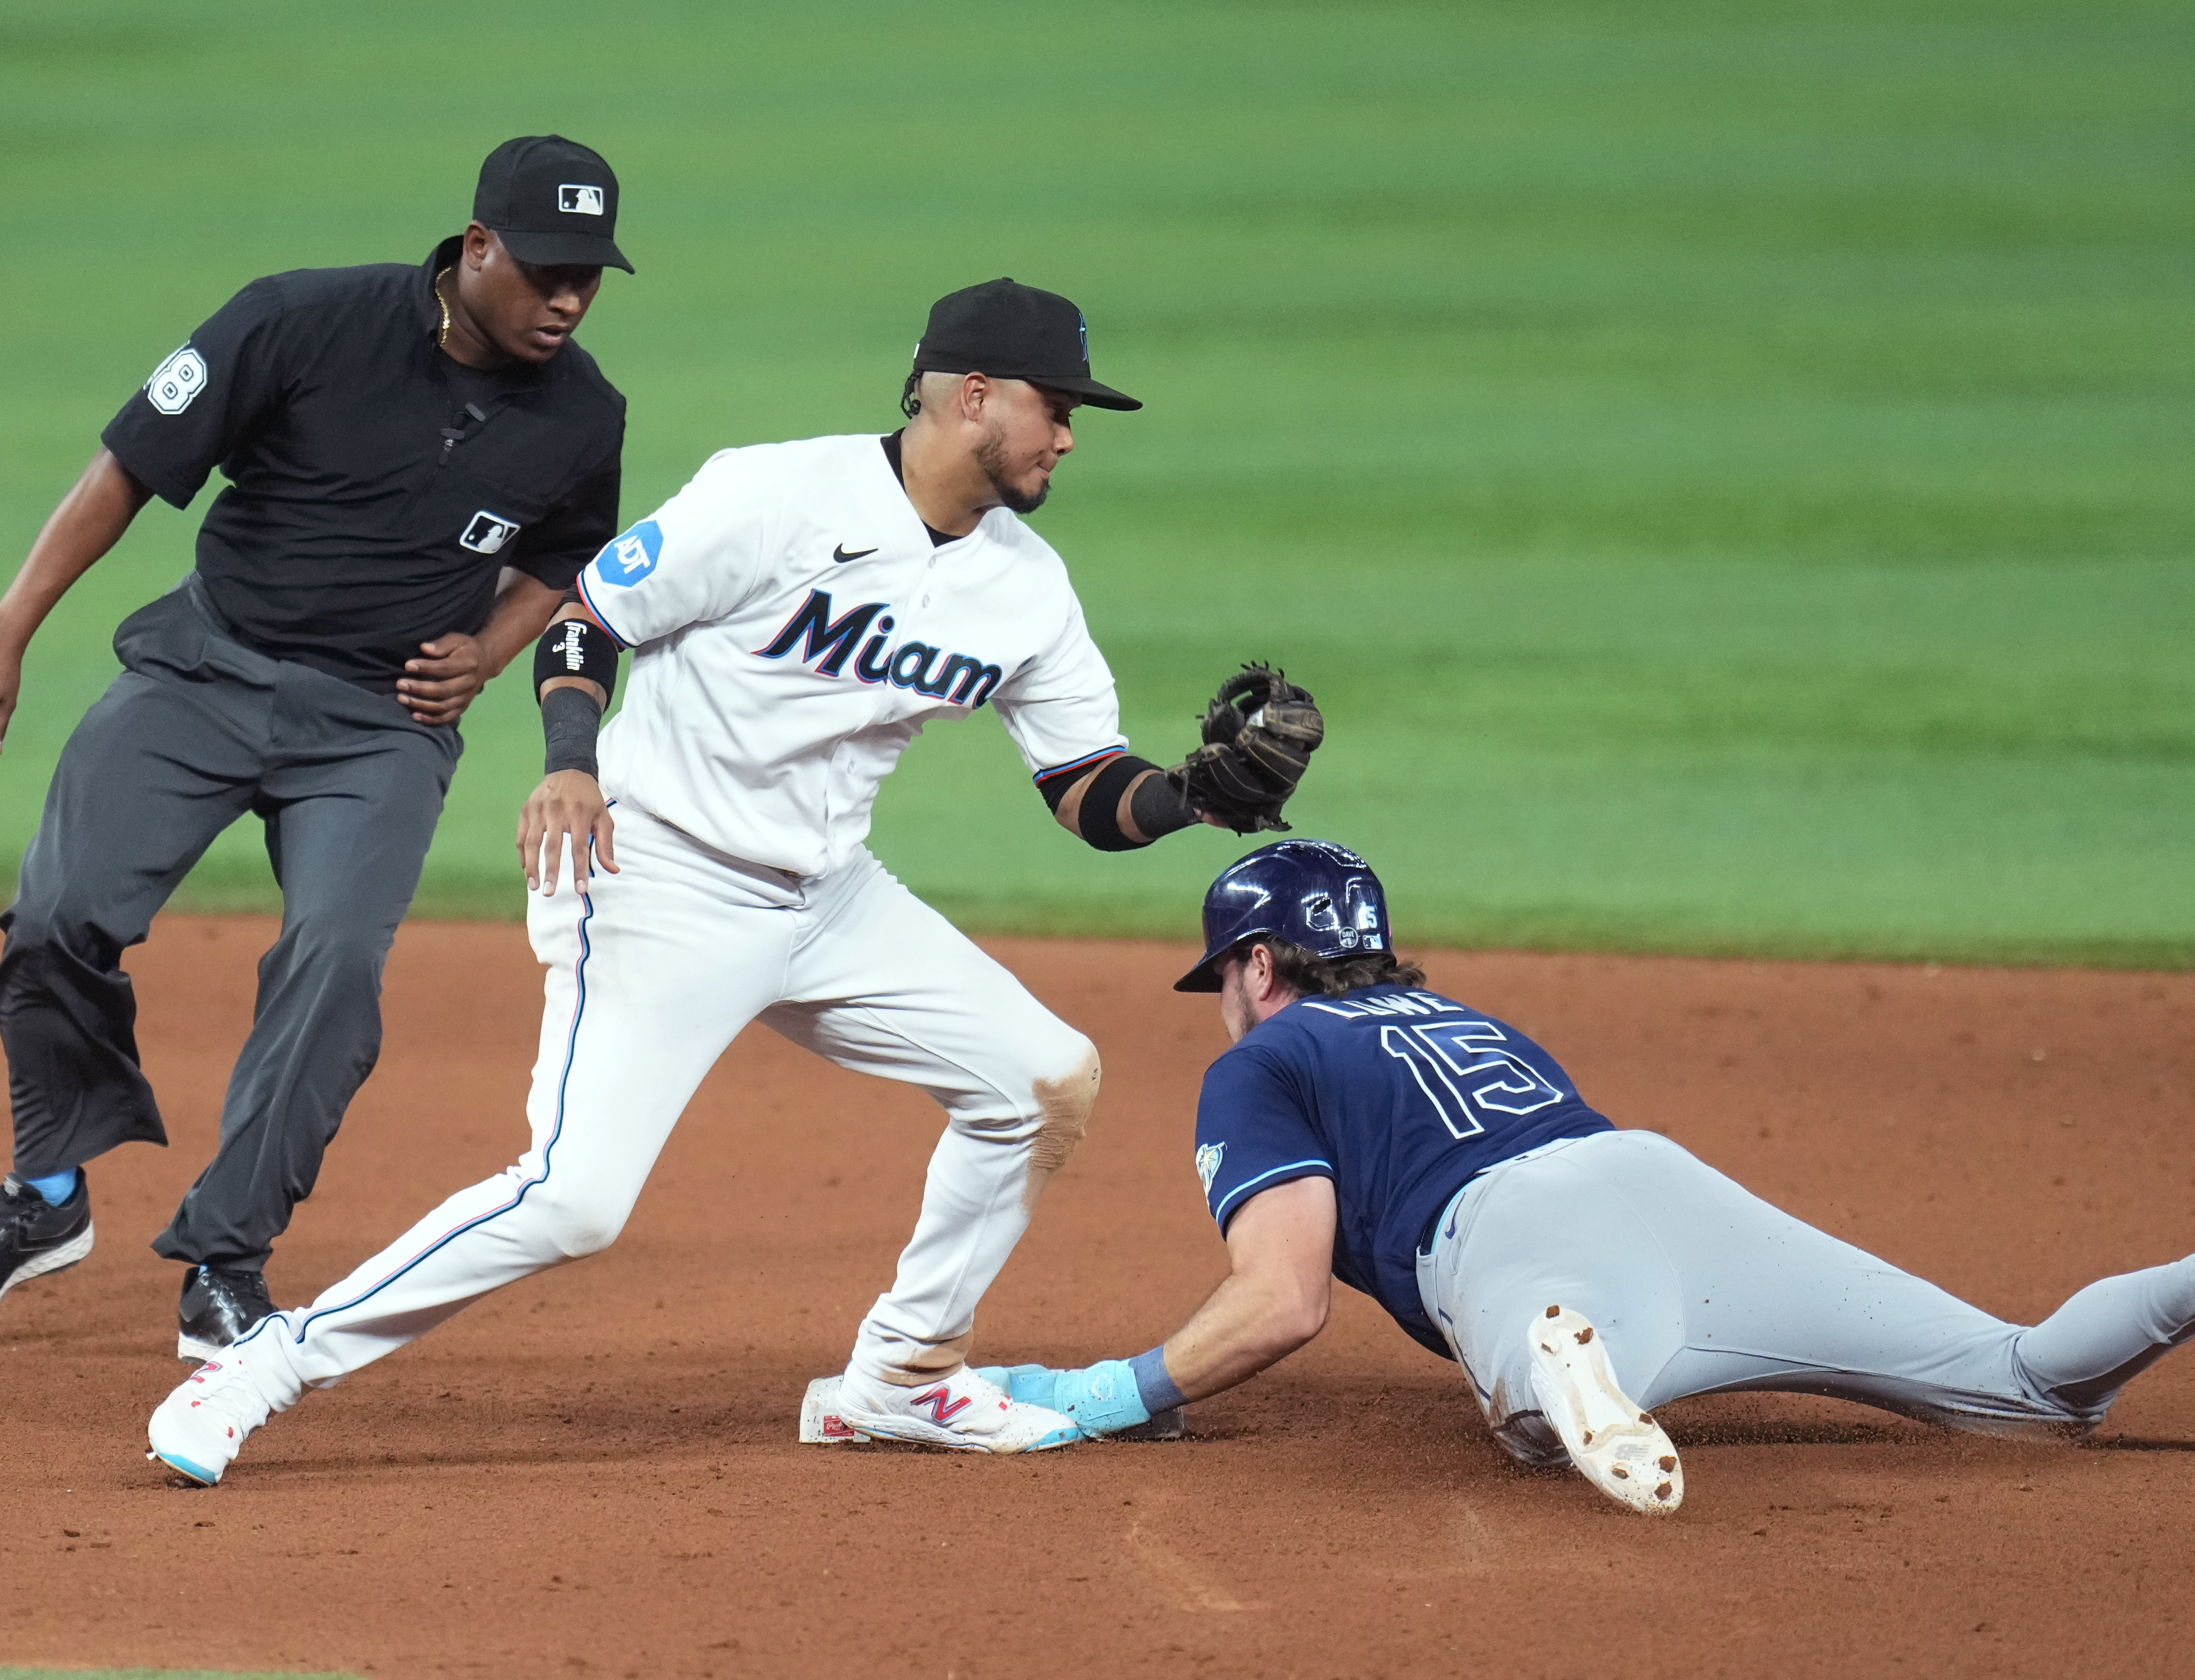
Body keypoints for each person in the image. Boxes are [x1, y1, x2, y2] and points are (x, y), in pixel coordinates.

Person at [143, 279, 1323, 1483]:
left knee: (1042, 1079)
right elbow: (585, 619)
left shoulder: (1026, 586)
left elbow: (1085, 791)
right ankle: (264, 1363)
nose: (1068, 435)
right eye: (1055, 406)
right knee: (573, 1199)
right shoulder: (776, 494)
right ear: (973, 395)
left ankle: (903, 1377)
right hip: (655, 878)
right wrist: (567, 765)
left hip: (828, 899)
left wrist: (1196, 795)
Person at [951, 840, 2195, 1516]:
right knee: (2027, 1385)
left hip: (1519, 1238)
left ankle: (1573, 1367)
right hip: (1654, 1178)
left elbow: (1281, 1301)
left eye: (1227, 969)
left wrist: (1108, 1392)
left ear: (1261, 961)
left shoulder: (1263, 1058)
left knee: (1540, 1437)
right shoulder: (1467, 1016)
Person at [0, 137, 634, 1358]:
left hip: (382, 723)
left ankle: (225, 1259)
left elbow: (571, 558)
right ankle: (52, 1189)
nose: (567, 298)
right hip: (203, 670)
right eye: (546, 269)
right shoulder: (299, 320)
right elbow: (132, 466)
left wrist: (494, 647)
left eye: (590, 276)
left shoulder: (584, 411)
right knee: (53, 918)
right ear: (477, 245)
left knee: (335, 963)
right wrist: (15, 622)